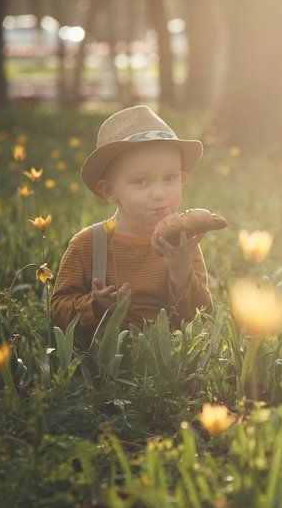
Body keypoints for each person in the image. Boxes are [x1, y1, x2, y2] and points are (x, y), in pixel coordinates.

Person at [49, 105, 214, 344]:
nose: (159, 193)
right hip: (105, 367)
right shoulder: (88, 244)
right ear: (109, 191)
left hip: (166, 365)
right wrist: (95, 304)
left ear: (183, 179)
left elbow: (201, 316)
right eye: (141, 181)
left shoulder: (181, 242)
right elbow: (56, 312)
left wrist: (181, 271)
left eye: (170, 178)